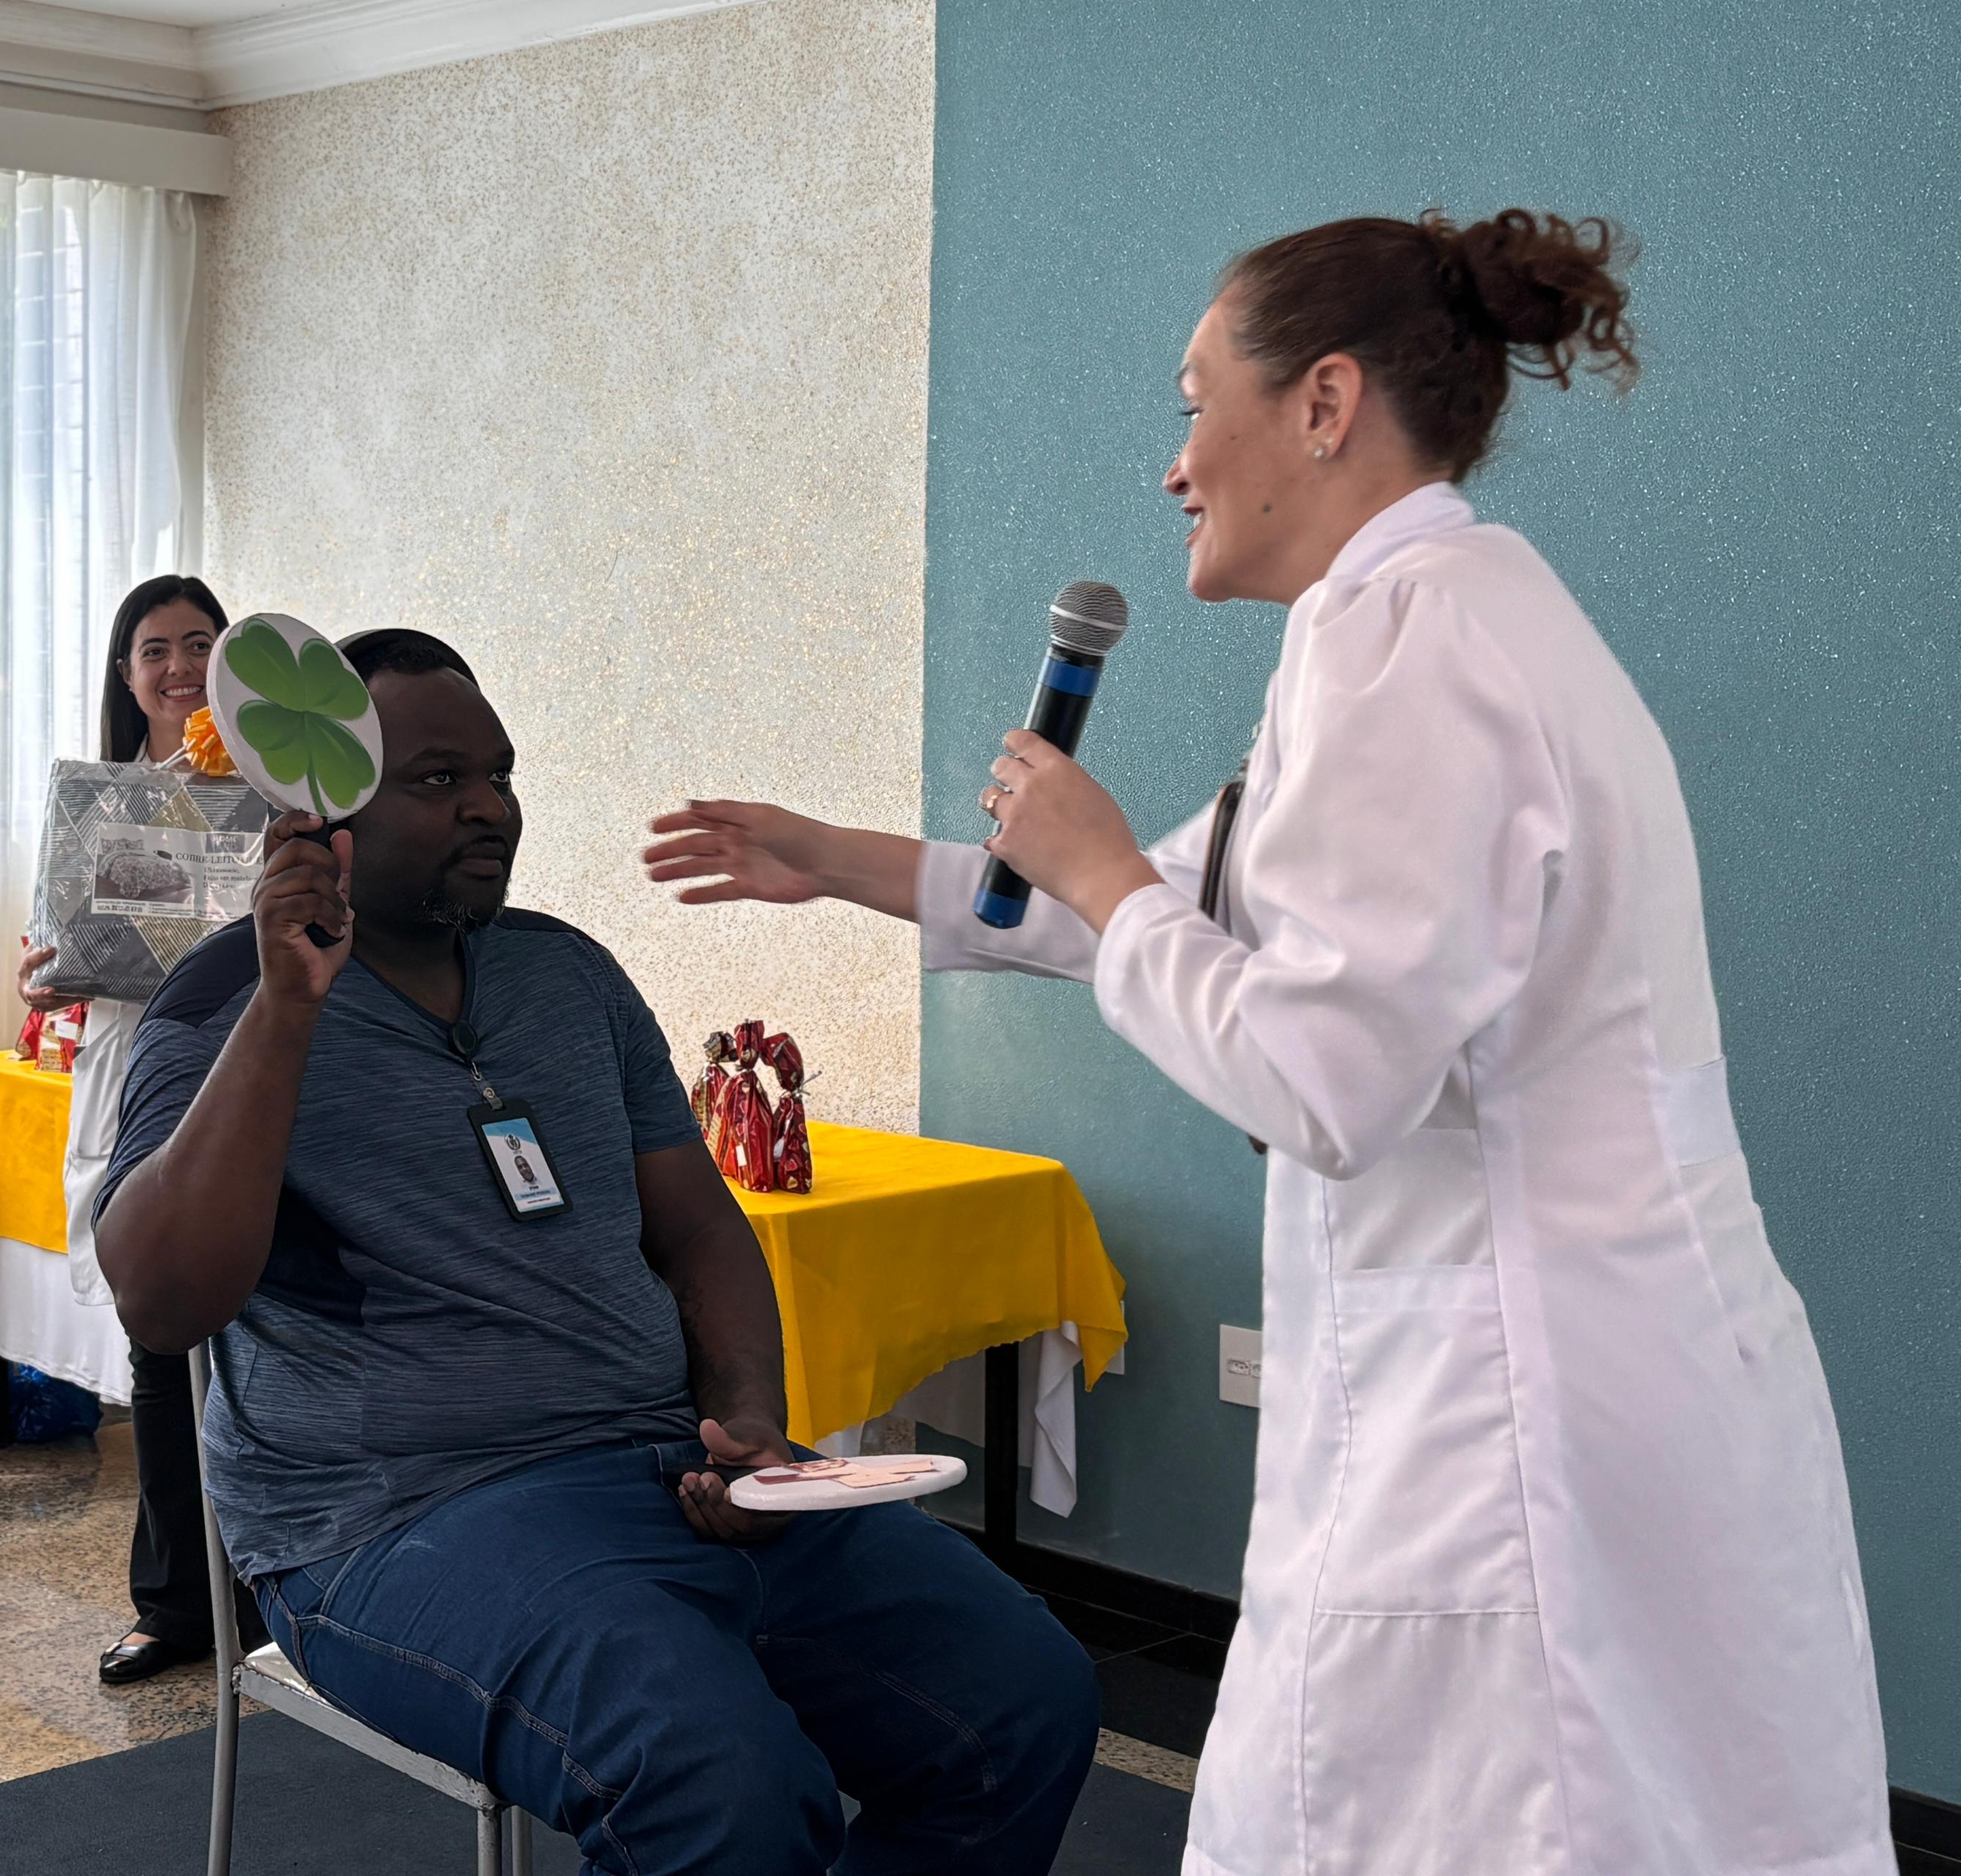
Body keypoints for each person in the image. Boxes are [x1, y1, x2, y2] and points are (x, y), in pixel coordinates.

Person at [644, 211, 1892, 1876]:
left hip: (1515, 1408)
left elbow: (1318, 1073)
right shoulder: (1430, 621)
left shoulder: (1416, 651)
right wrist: (835, 859)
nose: (1173, 468)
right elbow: (1160, 910)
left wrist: (1096, 866)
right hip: (1586, 1374)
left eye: (1190, 405)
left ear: (1322, 403)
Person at [97, 629, 1098, 1875]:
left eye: (501, 775)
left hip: (669, 1465)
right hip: (397, 1514)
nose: (491, 807)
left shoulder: (564, 974)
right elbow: (162, 1301)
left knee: (1025, 1699)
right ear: (323, 811)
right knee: (720, 1787)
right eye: (439, 779)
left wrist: (750, 1424)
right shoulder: (224, 1003)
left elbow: (699, 1227)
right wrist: (286, 1010)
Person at [15, 573, 262, 1685]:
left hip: (250, 1065)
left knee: (261, 1340)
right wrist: (43, 971)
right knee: (159, 1339)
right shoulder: (99, 808)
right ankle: (174, 1606)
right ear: (126, 674)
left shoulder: (277, 799)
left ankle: (278, 1590)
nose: (179, 667)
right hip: (136, 1072)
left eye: (200, 644)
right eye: (156, 649)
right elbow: (50, 949)